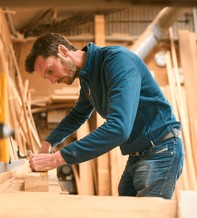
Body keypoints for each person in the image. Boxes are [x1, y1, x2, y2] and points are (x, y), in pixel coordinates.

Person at [24, 32, 184, 199]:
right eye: (46, 77)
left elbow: (119, 128)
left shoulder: (117, 61)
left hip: (161, 149)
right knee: (126, 208)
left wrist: (59, 158)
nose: (52, 81)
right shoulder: (87, 78)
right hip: (138, 153)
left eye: (50, 71)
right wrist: (48, 143)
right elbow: (78, 115)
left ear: (63, 51)